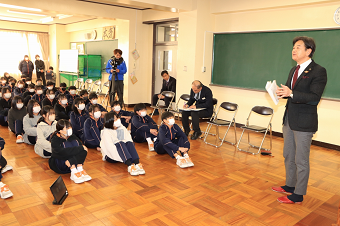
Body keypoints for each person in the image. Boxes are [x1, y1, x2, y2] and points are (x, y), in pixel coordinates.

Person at [272, 36, 327, 204]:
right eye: (293, 47)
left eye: (298, 47)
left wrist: (292, 93)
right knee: (288, 154)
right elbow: (290, 93)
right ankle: (290, 185)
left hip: (304, 122)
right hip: (289, 118)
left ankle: (299, 194)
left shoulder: (318, 71)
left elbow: (314, 98)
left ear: (308, 51)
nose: (293, 50)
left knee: (301, 159)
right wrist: (280, 93)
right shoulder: (294, 70)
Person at [50, 119, 91, 184]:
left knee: (82, 148)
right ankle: (73, 170)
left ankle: (80, 168)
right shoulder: (55, 139)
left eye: (70, 127)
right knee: (68, 145)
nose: (69, 129)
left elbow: (83, 149)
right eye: (67, 128)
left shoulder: (73, 136)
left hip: (71, 162)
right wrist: (79, 149)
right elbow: (62, 152)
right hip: (60, 164)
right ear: (60, 131)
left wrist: (71, 161)